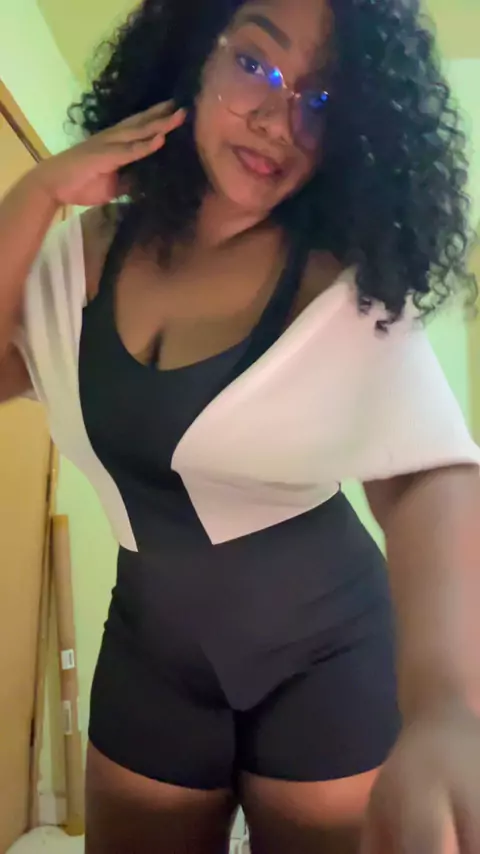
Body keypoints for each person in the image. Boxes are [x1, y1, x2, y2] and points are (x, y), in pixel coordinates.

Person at [1, 0, 480, 850]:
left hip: (330, 657)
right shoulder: (85, 254)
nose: (277, 120)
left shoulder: (343, 287)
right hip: (151, 655)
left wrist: (450, 705)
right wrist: (35, 195)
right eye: (255, 63)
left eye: (321, 98)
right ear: (194, 54)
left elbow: (426, 476)